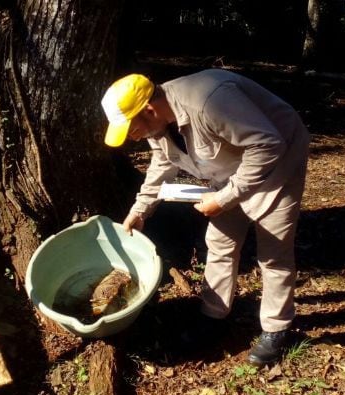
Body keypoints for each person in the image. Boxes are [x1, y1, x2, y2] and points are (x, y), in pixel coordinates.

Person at [100, 69, 310, 368]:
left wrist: (223, 198)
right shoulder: (158, 124)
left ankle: (276, 329)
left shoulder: (208, 101)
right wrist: (140, 209)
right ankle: (214, 317)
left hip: (279, 160)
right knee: (219, 243)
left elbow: (268, 145)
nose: (132, 137)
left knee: (273, 253)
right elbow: (162, 163)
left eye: (132, 128)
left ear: (148, 109)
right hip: (230, 170)